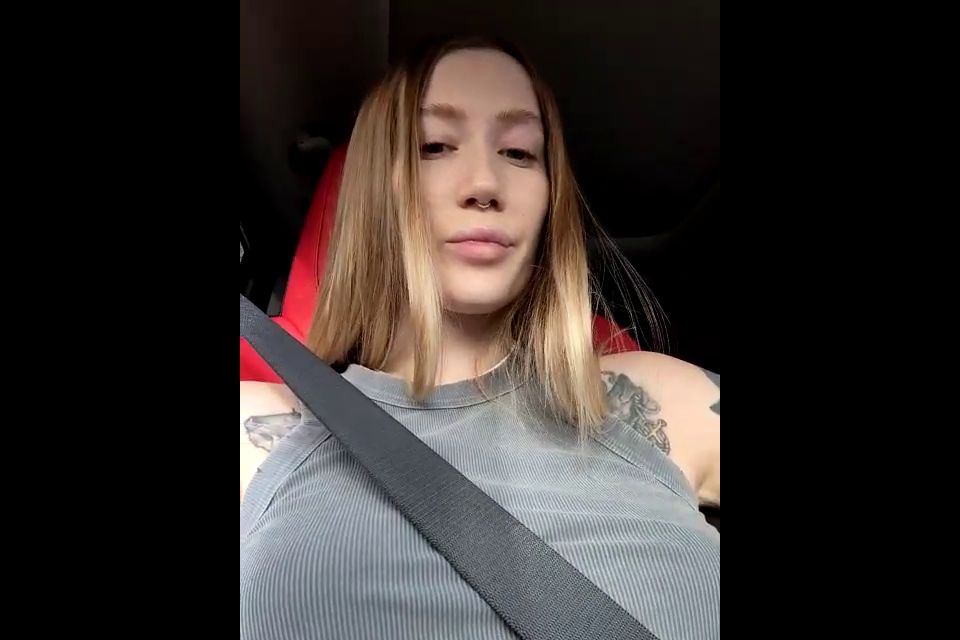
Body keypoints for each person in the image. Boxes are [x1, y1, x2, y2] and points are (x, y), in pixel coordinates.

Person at [240, 35, 719, 640]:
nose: (485, 183)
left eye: (519, 152)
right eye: (434, 146)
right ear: (371, 190)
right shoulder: (261, 431)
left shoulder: (655, 397)